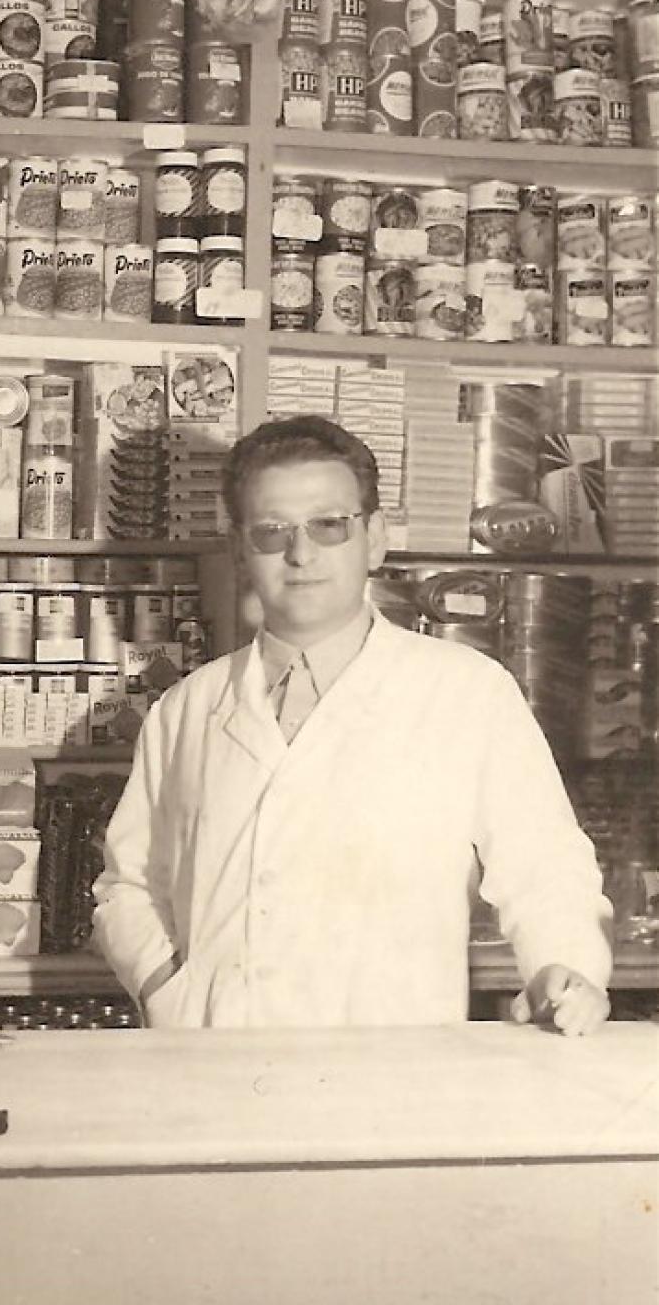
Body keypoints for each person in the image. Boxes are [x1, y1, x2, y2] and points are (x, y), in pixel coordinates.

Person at [92, 414, 612, 1033]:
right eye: (271, 531)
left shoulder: (466, 692)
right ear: (239, 551)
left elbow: (545, 866)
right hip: (214, 1066)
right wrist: (165, 986)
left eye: (329, 525)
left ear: (374, 537)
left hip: (389, 1073)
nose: (301, 553)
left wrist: (563, 966)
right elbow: (127, 884)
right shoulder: (187, 707)